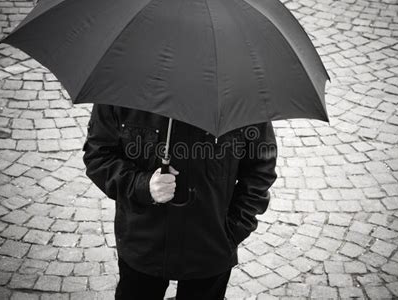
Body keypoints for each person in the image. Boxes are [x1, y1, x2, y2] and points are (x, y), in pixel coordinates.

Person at [82, 104, 277, 300]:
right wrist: (143, 185)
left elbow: (260, 170)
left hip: (211, 246)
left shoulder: (242, 98)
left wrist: (235, 228)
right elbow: (98, 156)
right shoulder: (121, 85)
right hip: (142, 242)